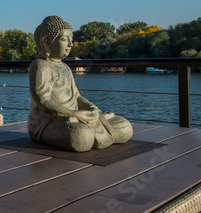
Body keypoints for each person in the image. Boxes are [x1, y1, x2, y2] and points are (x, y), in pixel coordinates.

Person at [28, 15, 133, 151]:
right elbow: (43, 101)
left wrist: (92, 108)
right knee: (81, 136)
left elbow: (76, 96)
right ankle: (87, 132)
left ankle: (93, 129)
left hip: (76, 116)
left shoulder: (65, 67)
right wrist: (74, 114)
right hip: (48, 121)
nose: (70, 45)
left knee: (124, 127)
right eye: (65, 40)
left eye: (71, 40)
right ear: (47, 42)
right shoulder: (40, 65)